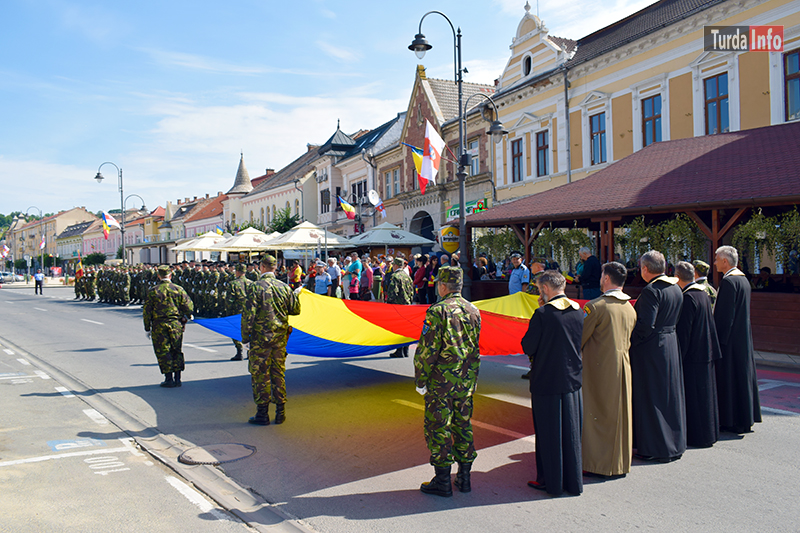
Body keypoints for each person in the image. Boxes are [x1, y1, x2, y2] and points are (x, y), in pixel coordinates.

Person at [414, 266, 481, 497]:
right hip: (466, 380)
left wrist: (420, 378)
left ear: (442, 286)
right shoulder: (474, 310)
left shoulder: (437, 311)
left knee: (438, 427)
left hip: (441, 382)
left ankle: (443, 481)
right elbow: (475, 347)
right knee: (463, 425)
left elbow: (427, 350)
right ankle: (464, 478)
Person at [521, 270, 583, 497]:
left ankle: (551, 482)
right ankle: (573, 480)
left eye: (539, 289)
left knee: (549, 434)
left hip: (547, 380)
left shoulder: (543, 314)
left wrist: (538, 309)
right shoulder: (579, 311)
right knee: (571, 432)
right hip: (572, 379)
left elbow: (528, 346)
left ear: (545, 289)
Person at [580, 262, 637, 478]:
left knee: (598, 414)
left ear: (605, 278)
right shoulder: (629, 306)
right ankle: (619, 462)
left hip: (599, 367)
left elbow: (580, 337)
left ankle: (599, 464)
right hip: (623, 365)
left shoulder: (596, 306)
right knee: (620, 415)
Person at [629, 250, 686, 462]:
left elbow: (645, 325)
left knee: (651, 395)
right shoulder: (675, 287)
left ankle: (655, 446)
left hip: (653, 347)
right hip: (670, 341)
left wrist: (630, 340)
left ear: (645, 269)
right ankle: (674, 443)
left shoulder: (652, 291)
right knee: (669, 395)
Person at [241, 255, 301, 425]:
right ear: (275, 268)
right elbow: (295, 310)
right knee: (278, 372)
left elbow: (248, 316)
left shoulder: (255, 287)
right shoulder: (284, 287)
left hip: (261, 339)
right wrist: (295, 295)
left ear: (262, 267)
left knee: (260, 374)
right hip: (280, 337)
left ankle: (262, 414)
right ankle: (280, 412)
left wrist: (245, 338)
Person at [714, 245, 762, 434]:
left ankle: (732, 420)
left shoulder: (728, 282)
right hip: (742, 336)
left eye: (717, 258)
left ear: (725, 261)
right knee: (742, 377)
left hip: (730, 340)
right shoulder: (743, 280)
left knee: (731, 379)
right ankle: (745, 418)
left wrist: (717, 340)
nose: (715, 262)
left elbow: (724, 317)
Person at [675, 261, 722, 448]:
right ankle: (710, 433)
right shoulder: (703, 293)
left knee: (696, 398)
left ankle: (698, 436)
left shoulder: (688, 298)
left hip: (694, 355)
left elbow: (684, 332)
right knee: (707, 396)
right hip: (707, 350)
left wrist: (679, 354)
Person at [143, 265, 194, 388]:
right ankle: (178, 378)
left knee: (163, 351)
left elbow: (147, 311)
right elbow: (189, 306)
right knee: (176, 350)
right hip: (176, 324)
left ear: (159, 276)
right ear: (170, 275)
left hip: (159, 325)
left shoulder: (153, 291)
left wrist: (147, 327)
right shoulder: (178, 289)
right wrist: (186, 317)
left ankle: (168, 378)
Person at [386, 257, 414, 358]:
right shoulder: (407, 276)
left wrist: (389, 303)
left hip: (398, 306)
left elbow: (393, 292)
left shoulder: (395, 276)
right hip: (407, 305)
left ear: (396, 265)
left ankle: (399, 351)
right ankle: (406, 350)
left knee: (399, 329)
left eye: (393, 265)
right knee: (406, 328)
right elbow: (412, 291)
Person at [227, 263, 251, 361]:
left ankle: (239, 351)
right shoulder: (252, 283)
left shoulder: (233, 284)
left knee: (236, 332)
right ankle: (249, 351)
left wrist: (227, 313)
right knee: (249, 331)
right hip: (249, 312)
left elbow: (229, 301)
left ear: (237, 272)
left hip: (236, 312)